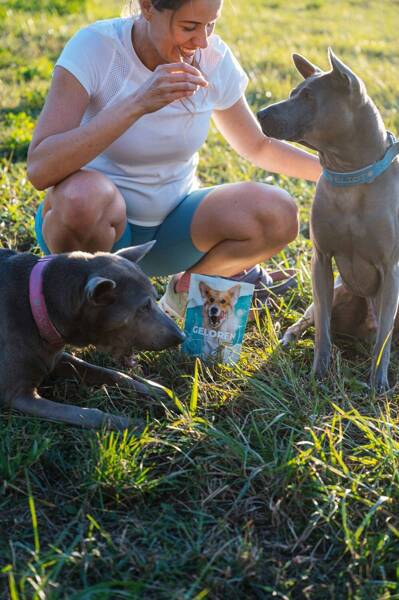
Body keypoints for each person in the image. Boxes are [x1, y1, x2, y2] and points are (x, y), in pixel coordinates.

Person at [27, 0, 321, 319]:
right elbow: (41, 169)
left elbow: (258, 146)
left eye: (210, 25)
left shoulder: (212, 58)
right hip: (91, 230)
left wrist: (339, 173)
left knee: (277, 211)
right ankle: (84, 310)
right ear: (147, 7)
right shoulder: (96, 47)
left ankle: (183, 291)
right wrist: (138, 102)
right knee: (83, 198)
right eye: (189, 27)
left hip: (173, 233)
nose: (202, 41)